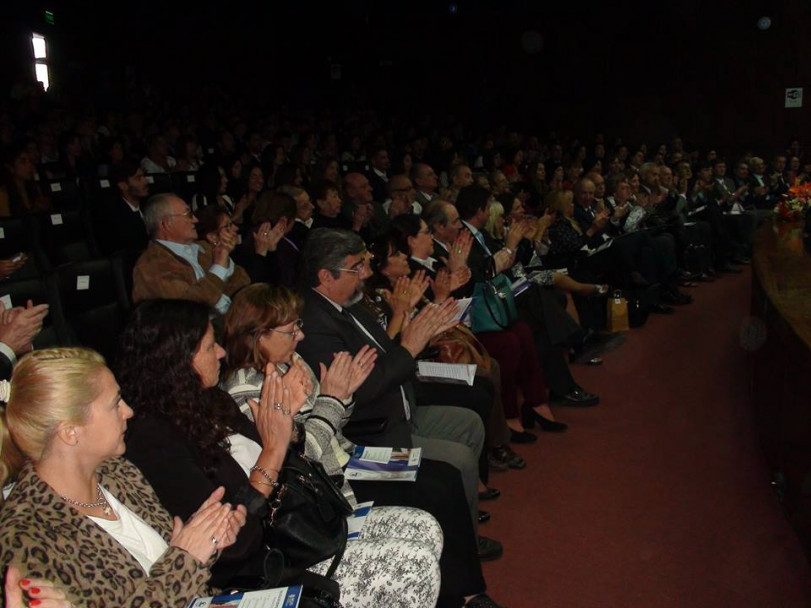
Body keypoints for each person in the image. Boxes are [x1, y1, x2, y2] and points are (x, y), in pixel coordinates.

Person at [118, 300, 441, 608]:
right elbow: (236, 545)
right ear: (175, 360)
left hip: (295, 525)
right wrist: (275, 448)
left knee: (423, 525)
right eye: (208, 347)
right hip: (263, 565)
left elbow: (296, 461)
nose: (220, 352)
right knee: (414, 563)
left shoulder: (211, 402)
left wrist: (291, 426)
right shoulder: (155, 442)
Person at [0, 348, 246, 608]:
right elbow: (175, 570)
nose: (128, 411)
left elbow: (168, 575)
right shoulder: (26, 536)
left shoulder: (117, 472)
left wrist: (209, 536)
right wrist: (187, 557)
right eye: (115, 403)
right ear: (70, 432)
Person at [132, 193, 249, 313]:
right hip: (204, 327)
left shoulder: (203, 248)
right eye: (188, 214)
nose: (195, 219)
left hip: (232, 317)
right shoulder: (152, 265)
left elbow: (243, 282)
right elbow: (189, 308)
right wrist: (219, 267)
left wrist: (225, 262)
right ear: (166, 224)